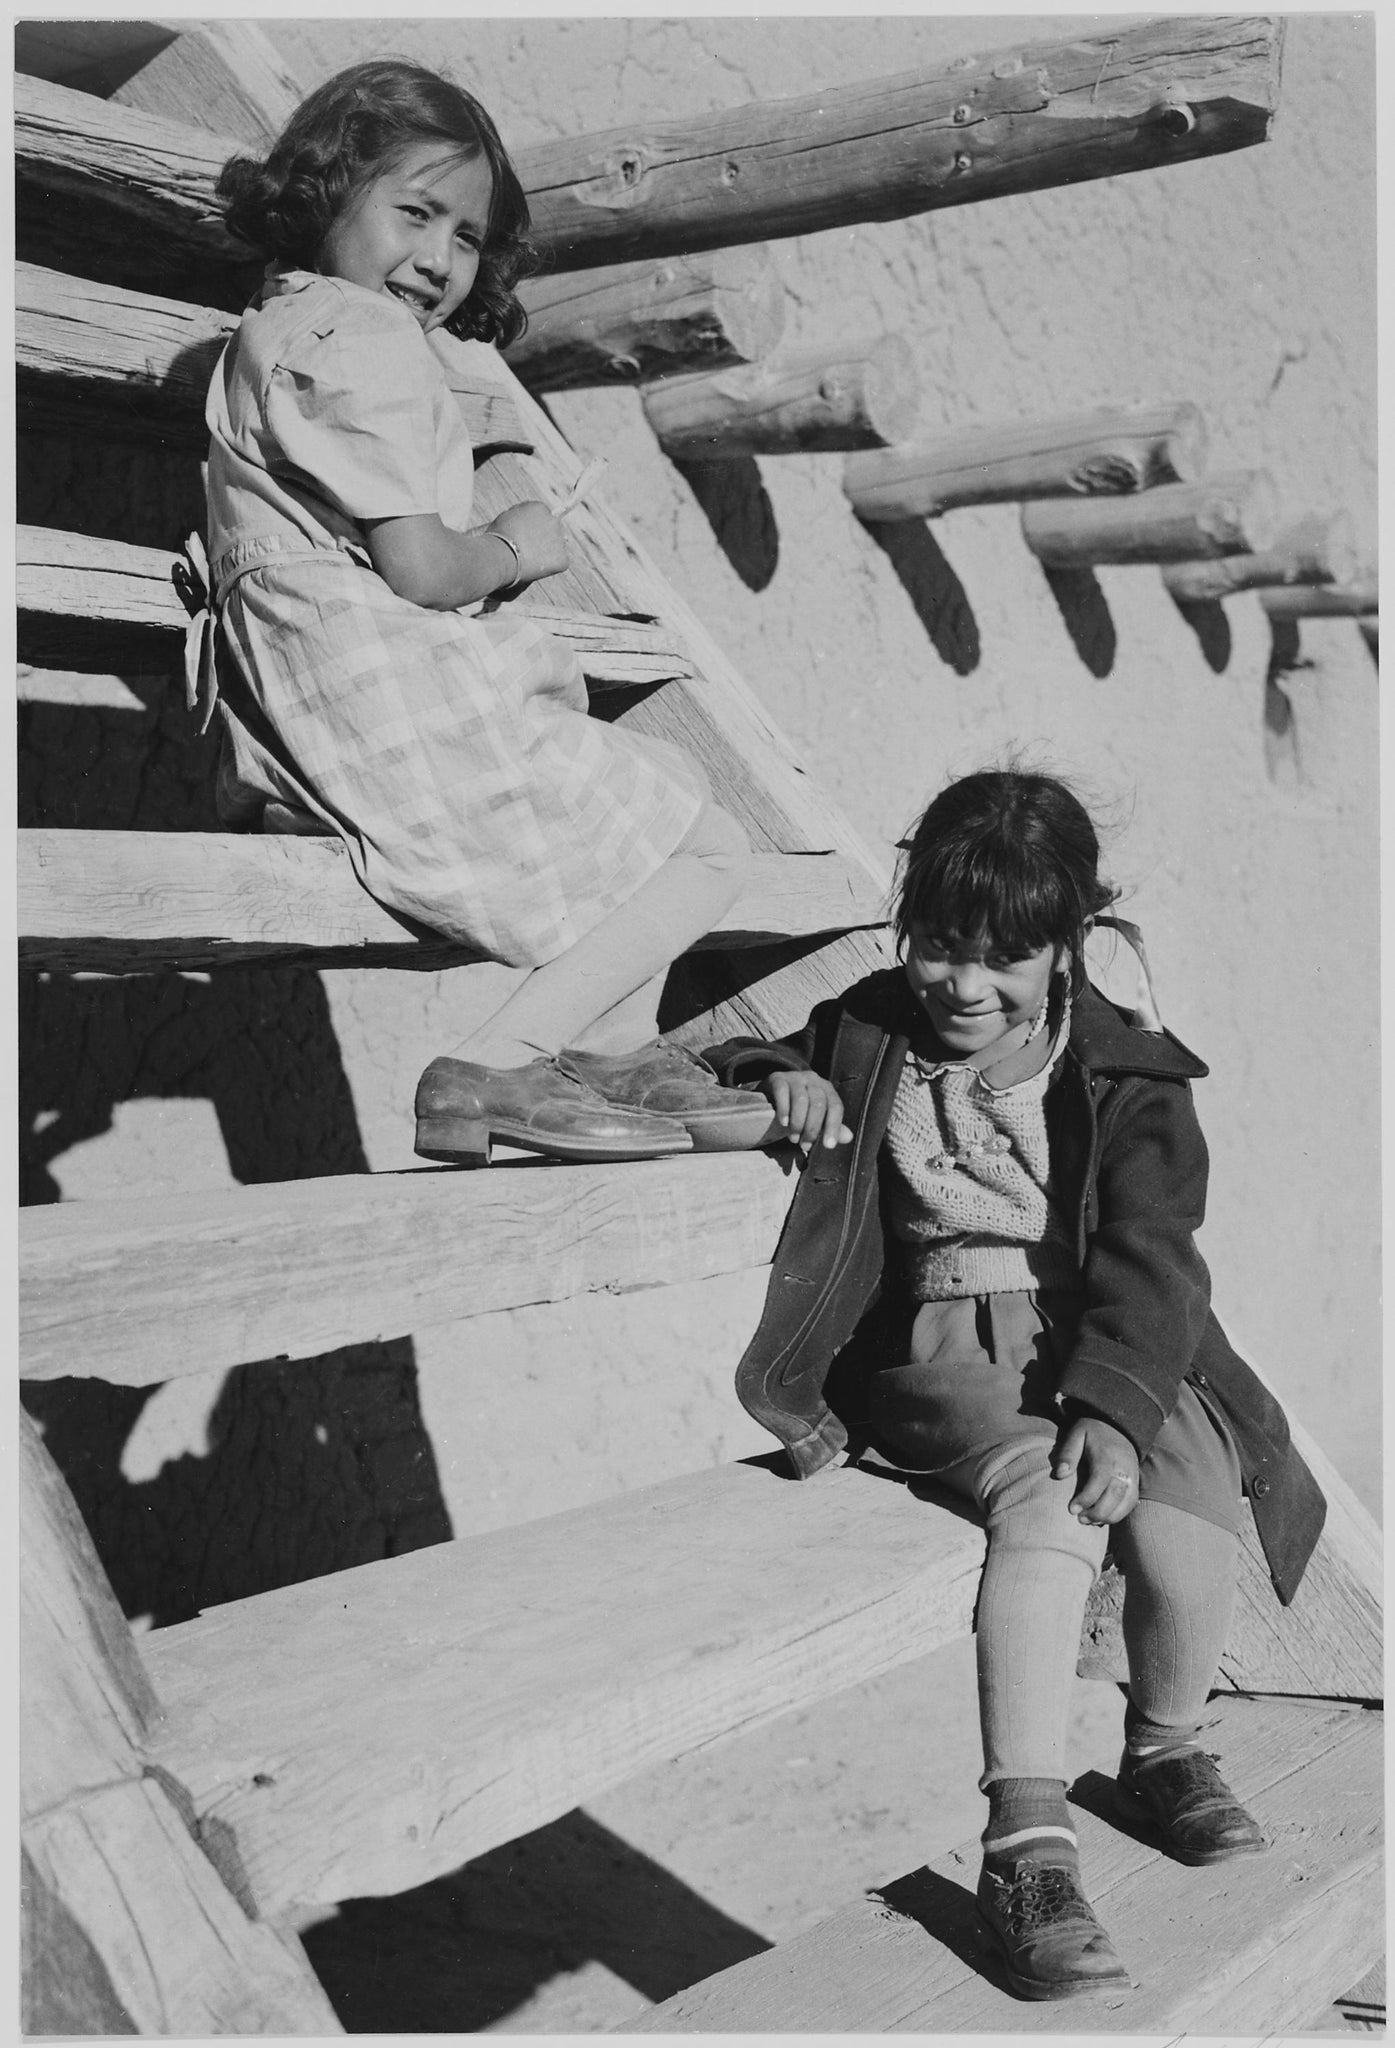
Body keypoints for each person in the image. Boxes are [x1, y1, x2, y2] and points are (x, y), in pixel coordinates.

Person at [704, 767, 1326, 2000]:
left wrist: (1114, 1405)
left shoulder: (1125, 1072)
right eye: (940, 945)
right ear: (910, 926)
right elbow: (745, 1042)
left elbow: (1156, 1255)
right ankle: (1025, 1845)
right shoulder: (875, 1025)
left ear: (1068, 945)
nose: (966, 985)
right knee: (1049, 1499)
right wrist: (774, 1071)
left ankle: (1161, 1746)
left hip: (1102, 1337)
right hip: (947, 1349)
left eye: (1007, 956)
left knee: (1188, 1475)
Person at [201, 58, 774, 1166]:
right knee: (708, 847)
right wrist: (511, 547)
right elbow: (418, 566)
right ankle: (497, 1063)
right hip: (378, 690)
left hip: (332, 690)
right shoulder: (357, 340)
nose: (438, 260)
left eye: (466, 238)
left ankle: (596, 1044)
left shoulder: (294, 325)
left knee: (667, 796)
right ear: (328, 196)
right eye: (414, 213)